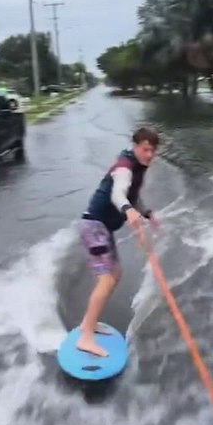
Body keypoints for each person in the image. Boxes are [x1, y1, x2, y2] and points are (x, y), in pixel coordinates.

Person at [74, 127, 160, 357]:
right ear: (135, 146)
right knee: (106, 279)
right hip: (93, 226)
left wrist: (146, 212)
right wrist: (128, 211)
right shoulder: (124, 166)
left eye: (153, 150)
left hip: (103, 228)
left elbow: (133, 196)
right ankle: (85, 338)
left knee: (116, 274)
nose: (150, 155)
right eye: (145, 149)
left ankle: (88, 324)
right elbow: (118, 194)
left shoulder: (138, 167)